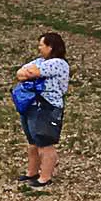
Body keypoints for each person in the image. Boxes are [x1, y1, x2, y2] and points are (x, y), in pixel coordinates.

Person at [15, 32, 70, 189]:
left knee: (45, 142)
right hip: (31, 106)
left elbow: (32, 72)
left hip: (48, 107)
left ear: (50, 47)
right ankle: (32, 172)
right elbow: (21, 73)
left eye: (41, 45)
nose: (39, 48)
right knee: (33, 141)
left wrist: (31, 73)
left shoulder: (59, 63)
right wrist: (29, 73)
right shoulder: (40, 61)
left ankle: (45, 177)